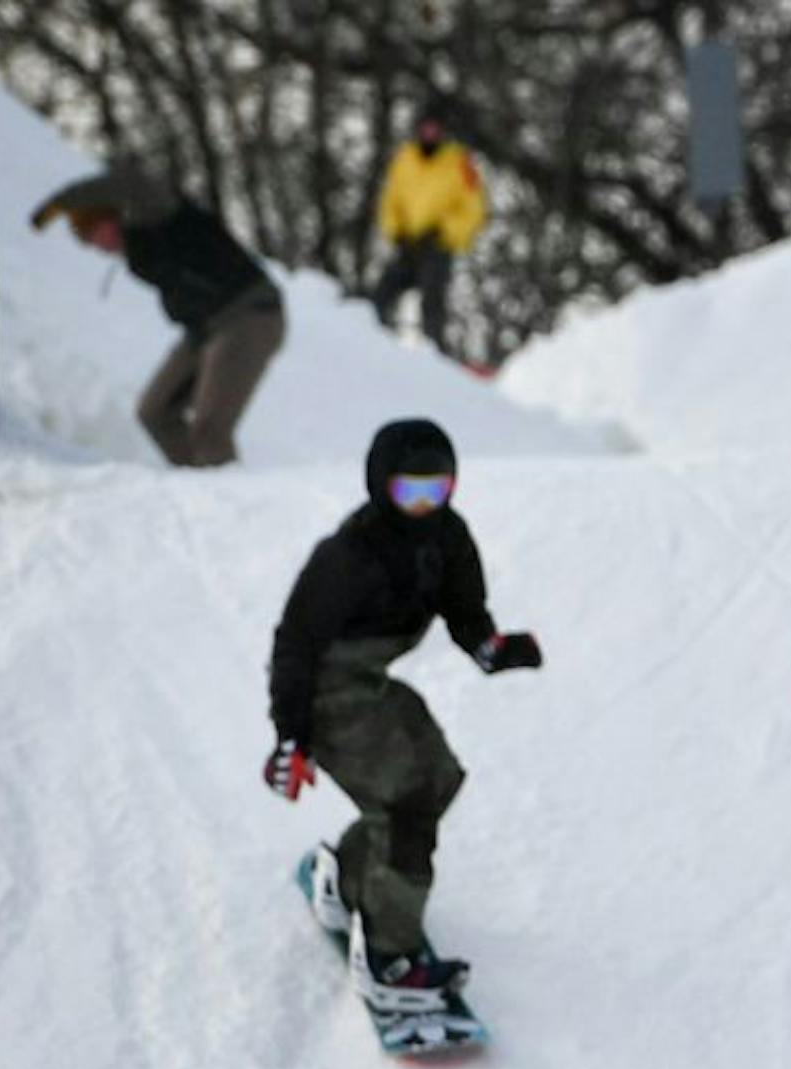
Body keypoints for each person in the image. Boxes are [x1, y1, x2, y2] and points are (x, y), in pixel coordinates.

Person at [263, 418, 542, 1011]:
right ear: (379, 487)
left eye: (434, 492)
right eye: (407, 493)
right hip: (326, 689)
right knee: (409, 804)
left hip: (370, 680)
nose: (421, 507)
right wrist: (292, 737)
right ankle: (391, 957)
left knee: (437, 779)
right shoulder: (350, 553)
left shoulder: (447, 538)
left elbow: (464, 605)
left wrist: (490, 648)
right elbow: (295, 642)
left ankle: (348, 875)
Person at [31, 165, 285, 467]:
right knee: (154, 412)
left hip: (250, 315)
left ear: (110, 217)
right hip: (205, 330)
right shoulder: (139, 253)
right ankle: (205, 488)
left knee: (209, 428)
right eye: (86, 241)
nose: (96, 245)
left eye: (94, 232)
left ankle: (232, 498)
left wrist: (63, 201)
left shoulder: (157, 214)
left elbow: (131, 179)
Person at [370, 108, 487, 357]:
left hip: (437, 247)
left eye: (435, 128)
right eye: (426, 127)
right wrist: (395, 231)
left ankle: (434, 358)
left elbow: (474, 209)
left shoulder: (459, 162)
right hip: (408, 245)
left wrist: (445, 231)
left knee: (432, 305)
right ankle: (374, 347)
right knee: (380, 295)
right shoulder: (405, 158)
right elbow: (390, 200)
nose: (430, 133)